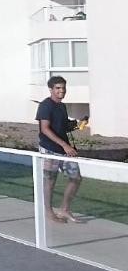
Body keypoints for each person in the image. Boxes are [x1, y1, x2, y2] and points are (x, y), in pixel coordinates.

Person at [36, 75, 83, 223]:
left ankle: (64, 209)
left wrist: (77, 124)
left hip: (64, 148)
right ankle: (49, 212)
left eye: (63, 88)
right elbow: (45, 129)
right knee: (50, 181)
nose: (61, 91)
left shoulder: (61, 106)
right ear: (51, 89)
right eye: (58, 88)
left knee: (76, 178)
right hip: (50, 148)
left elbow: (63, 126)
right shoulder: (45, 105)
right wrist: (65, 145)